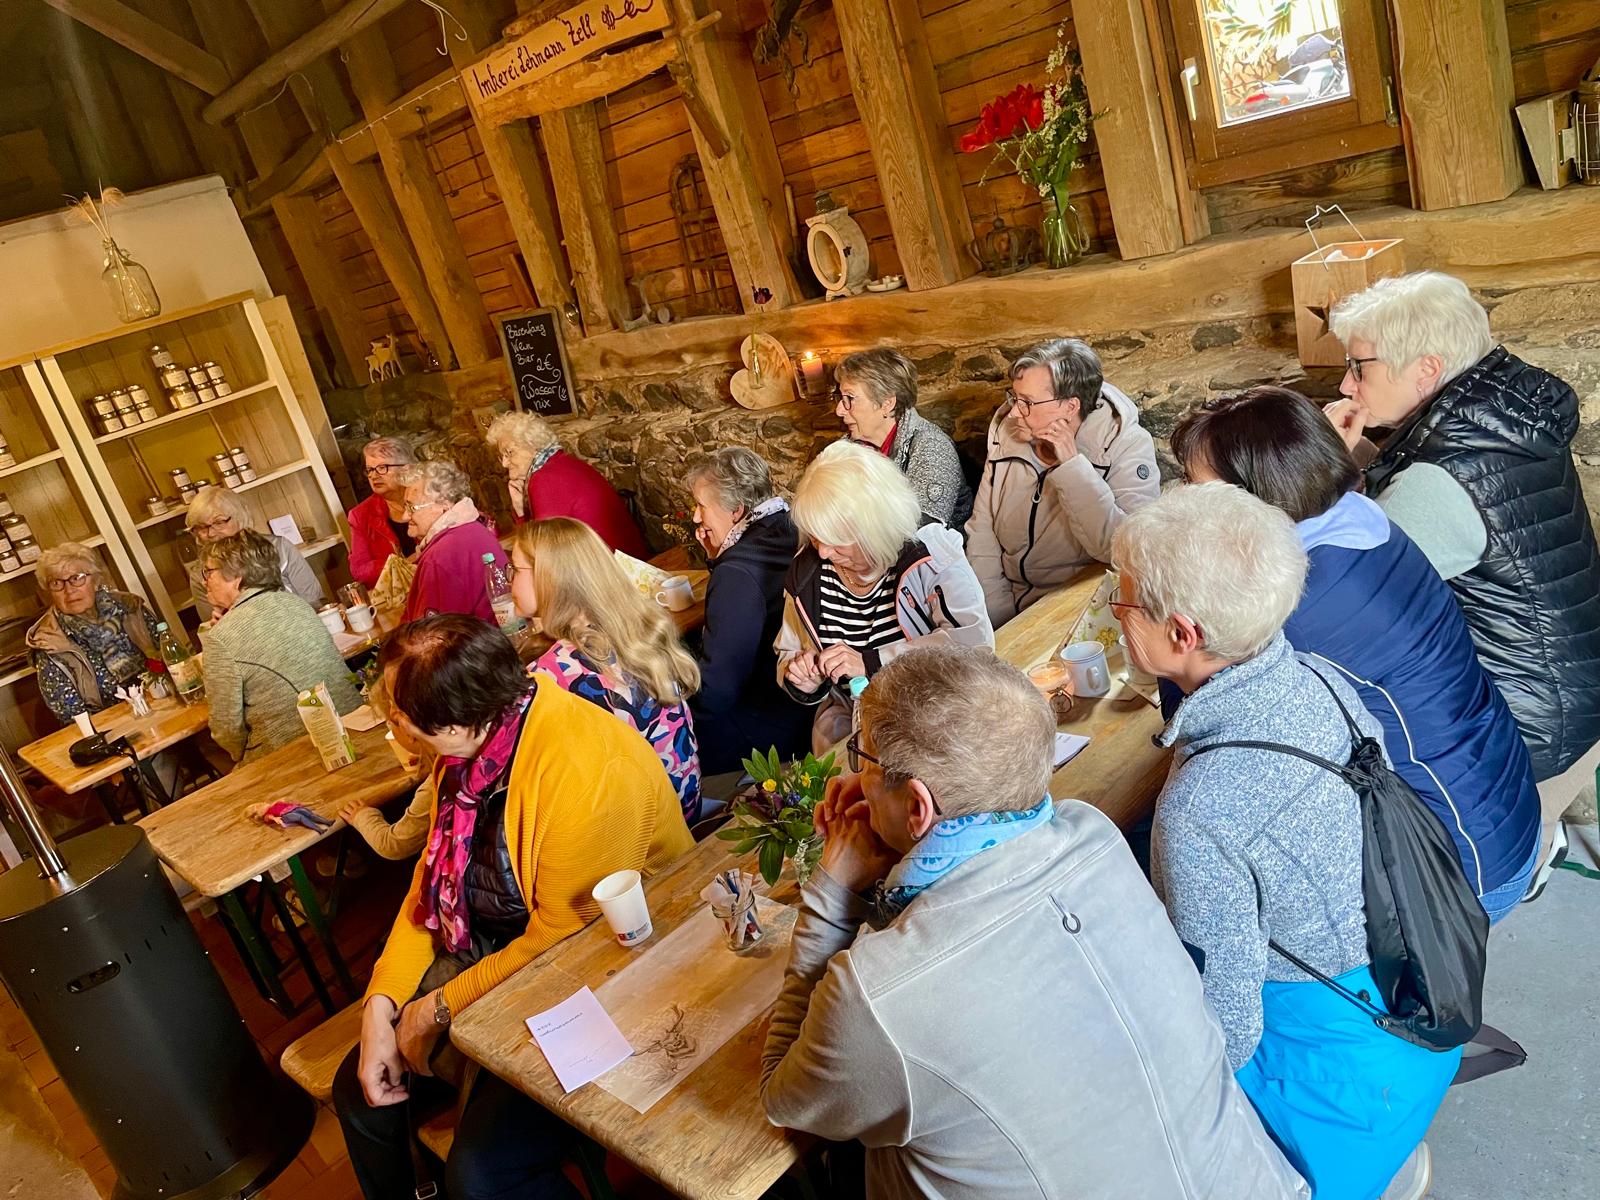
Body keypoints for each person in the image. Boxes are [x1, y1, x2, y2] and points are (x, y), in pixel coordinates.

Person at [761, 643, 1307, 1200]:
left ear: (920, 807)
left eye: (864, 759)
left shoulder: (872, 993)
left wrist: (834, 894)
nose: (856, 775)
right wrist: (891, 819)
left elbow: (786, 1100)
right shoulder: (1094, 834)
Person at [1112, 482, 1456, 1200]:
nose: (1115, 615)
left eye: (1123, 600)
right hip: (1415, 1009)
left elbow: (1225, 1032)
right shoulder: (1320, 676)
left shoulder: (1203, 807)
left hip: (1333, 1083)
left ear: (1182, 634)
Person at [332, 615, 693, 1199]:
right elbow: (430, 883)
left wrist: (436, 1008)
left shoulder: (588, 767)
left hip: (606, 973)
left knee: (483, 1174)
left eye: (398, 717)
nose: (393, 726)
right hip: (507, 958)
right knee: (358, 1091)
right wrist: (381, 1005)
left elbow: (566, 937)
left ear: (454, 723)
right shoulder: (467, 752)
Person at [1172, 386, 1541, 921]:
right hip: (1500, 803)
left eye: (1195, 486)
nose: (1183, 500)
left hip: (1455, 866)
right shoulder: (1358, 522)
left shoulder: (1294, 604)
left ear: (1258, 495)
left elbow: (1203, 726)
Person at [1328, 270, 1600, 891]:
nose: (1346, 384)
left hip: (1532, 722)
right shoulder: (1503, 416)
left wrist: (1329, 475)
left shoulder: (1442, 476)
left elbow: (1350, 591)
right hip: (1575, 679)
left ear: (1426, 370)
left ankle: (1516, 866)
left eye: (1358, 367)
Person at [776, 441, 993, 752]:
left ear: (874, 526)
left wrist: (873, 662)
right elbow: (787, 650)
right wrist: (802, 677)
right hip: (849, 730)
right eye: (815, 536)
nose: (823, 551)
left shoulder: (929, 551)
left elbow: (975, 642)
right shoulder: (807, 572)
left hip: (937, 719)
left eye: (837, 540)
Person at [510, 518, 703, 822]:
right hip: (688, 803)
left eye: (515, 569)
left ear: (547, 578)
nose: (509, 581)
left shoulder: (551, 676)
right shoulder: (633, 624)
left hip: (645, 835)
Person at [966, 337, 1160, 625]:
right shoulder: (1008, 432)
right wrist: (998, 617)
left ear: (1070, 407)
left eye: (1028, 402)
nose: (1015, 411)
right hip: (1010, 608)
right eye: (1015, 397)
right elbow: (982, 532)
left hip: (1083, 611)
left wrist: (1071, 467)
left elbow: (1122, 549)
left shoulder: (1126, 445)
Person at [683, 448, 810, 773]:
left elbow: (719, 691)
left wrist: (678, 721)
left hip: (762, 725)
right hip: (800, 707)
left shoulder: (737, 574)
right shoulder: (786, 525)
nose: (696, 517)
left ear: (736, 510)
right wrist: (717, 556)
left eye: (701, 506)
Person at [199, 531, 362, 764]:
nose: (204, 581)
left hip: (294, 751)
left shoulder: (220, 637)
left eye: (209, 572)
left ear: (236, 576)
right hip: (352, 721)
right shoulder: (297, 603)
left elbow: (226, 729)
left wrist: (242, 757)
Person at [831, 348, 973, 528]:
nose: (840, 410)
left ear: (887, 404)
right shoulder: (847, 447)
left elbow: (921, 533)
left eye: (849, 398)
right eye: (840, 398)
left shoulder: (931, 447)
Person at [25, 543, 160, 724]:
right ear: (48, 592)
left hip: (162, 701)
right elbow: (71, 715)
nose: (69, 590)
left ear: (95, 581)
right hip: (113, 728)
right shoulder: (48, 642)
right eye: (56, 583)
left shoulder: (129, 607)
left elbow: (170, 657)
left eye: (77, 578)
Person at [484, 410, 647, 557]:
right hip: (626, 562)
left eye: (509, 452)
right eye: (501, 456)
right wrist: (521, 509)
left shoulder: (545, 479)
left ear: (533, 445)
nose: (504, 463)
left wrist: (520, 514)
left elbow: (543, 555)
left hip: (614, 576)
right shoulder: (561, 462)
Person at [184, 485, 323, 622]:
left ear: (239, 518)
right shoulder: (200, 575)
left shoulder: (278, 548)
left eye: (219, 522)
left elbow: (315, 602)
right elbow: (213, 629)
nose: (211, 533)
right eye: (201, 527)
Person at [399, 460, 507, 624]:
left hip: (478, 647)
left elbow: (430, 636)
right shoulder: (474, 528)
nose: (404, 517)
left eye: (411, 507)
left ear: (444, 505)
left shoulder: (440, 556)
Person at [340, 674, 433, 861]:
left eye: (390, 724)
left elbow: (394, 845)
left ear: (408, 731)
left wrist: (362, 816)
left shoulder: (436, 786)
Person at [347, 435, 419, 588]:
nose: (373, 475)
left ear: (406, 468)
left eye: (382, 468)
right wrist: (403, 564)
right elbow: (359, 570)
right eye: (370, 470)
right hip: (398, 594)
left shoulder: (430, 496)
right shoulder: (360, 515)